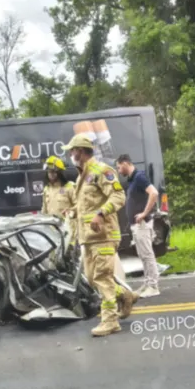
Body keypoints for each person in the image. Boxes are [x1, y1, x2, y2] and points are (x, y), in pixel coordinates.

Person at [63, 134, 138, 337]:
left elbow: (118, 195)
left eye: (72, 150)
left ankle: (110, 321)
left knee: (102, 278)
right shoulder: (82, 176)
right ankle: (125, 295)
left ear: (81, 150)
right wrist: (72, 211)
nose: (70, 154)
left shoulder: (101, 171)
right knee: (92, 279)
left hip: (104, 235)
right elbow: (86, 204)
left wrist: (101, 213)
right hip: (88, 238)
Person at [115, 155, 161, 298]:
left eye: (118, 167)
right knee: (142, 254)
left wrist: (144, 213)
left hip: (142, 223)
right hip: (136, 225)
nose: (118, 170)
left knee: (147, 254)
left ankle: (153, 286)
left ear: (125, 163)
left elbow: (154, 193)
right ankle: (147, 283)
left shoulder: (139, 177)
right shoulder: (132, 179)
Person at [41, 156, 77, 244]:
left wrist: (71, 212)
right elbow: (44, 210)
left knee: (70, 256)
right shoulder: (47, 189)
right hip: (53, 233)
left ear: (60, 173)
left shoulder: (69, 187)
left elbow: (79, 205)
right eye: (49, 172)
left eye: (54, 172)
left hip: (69, 232)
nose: (51, 174)